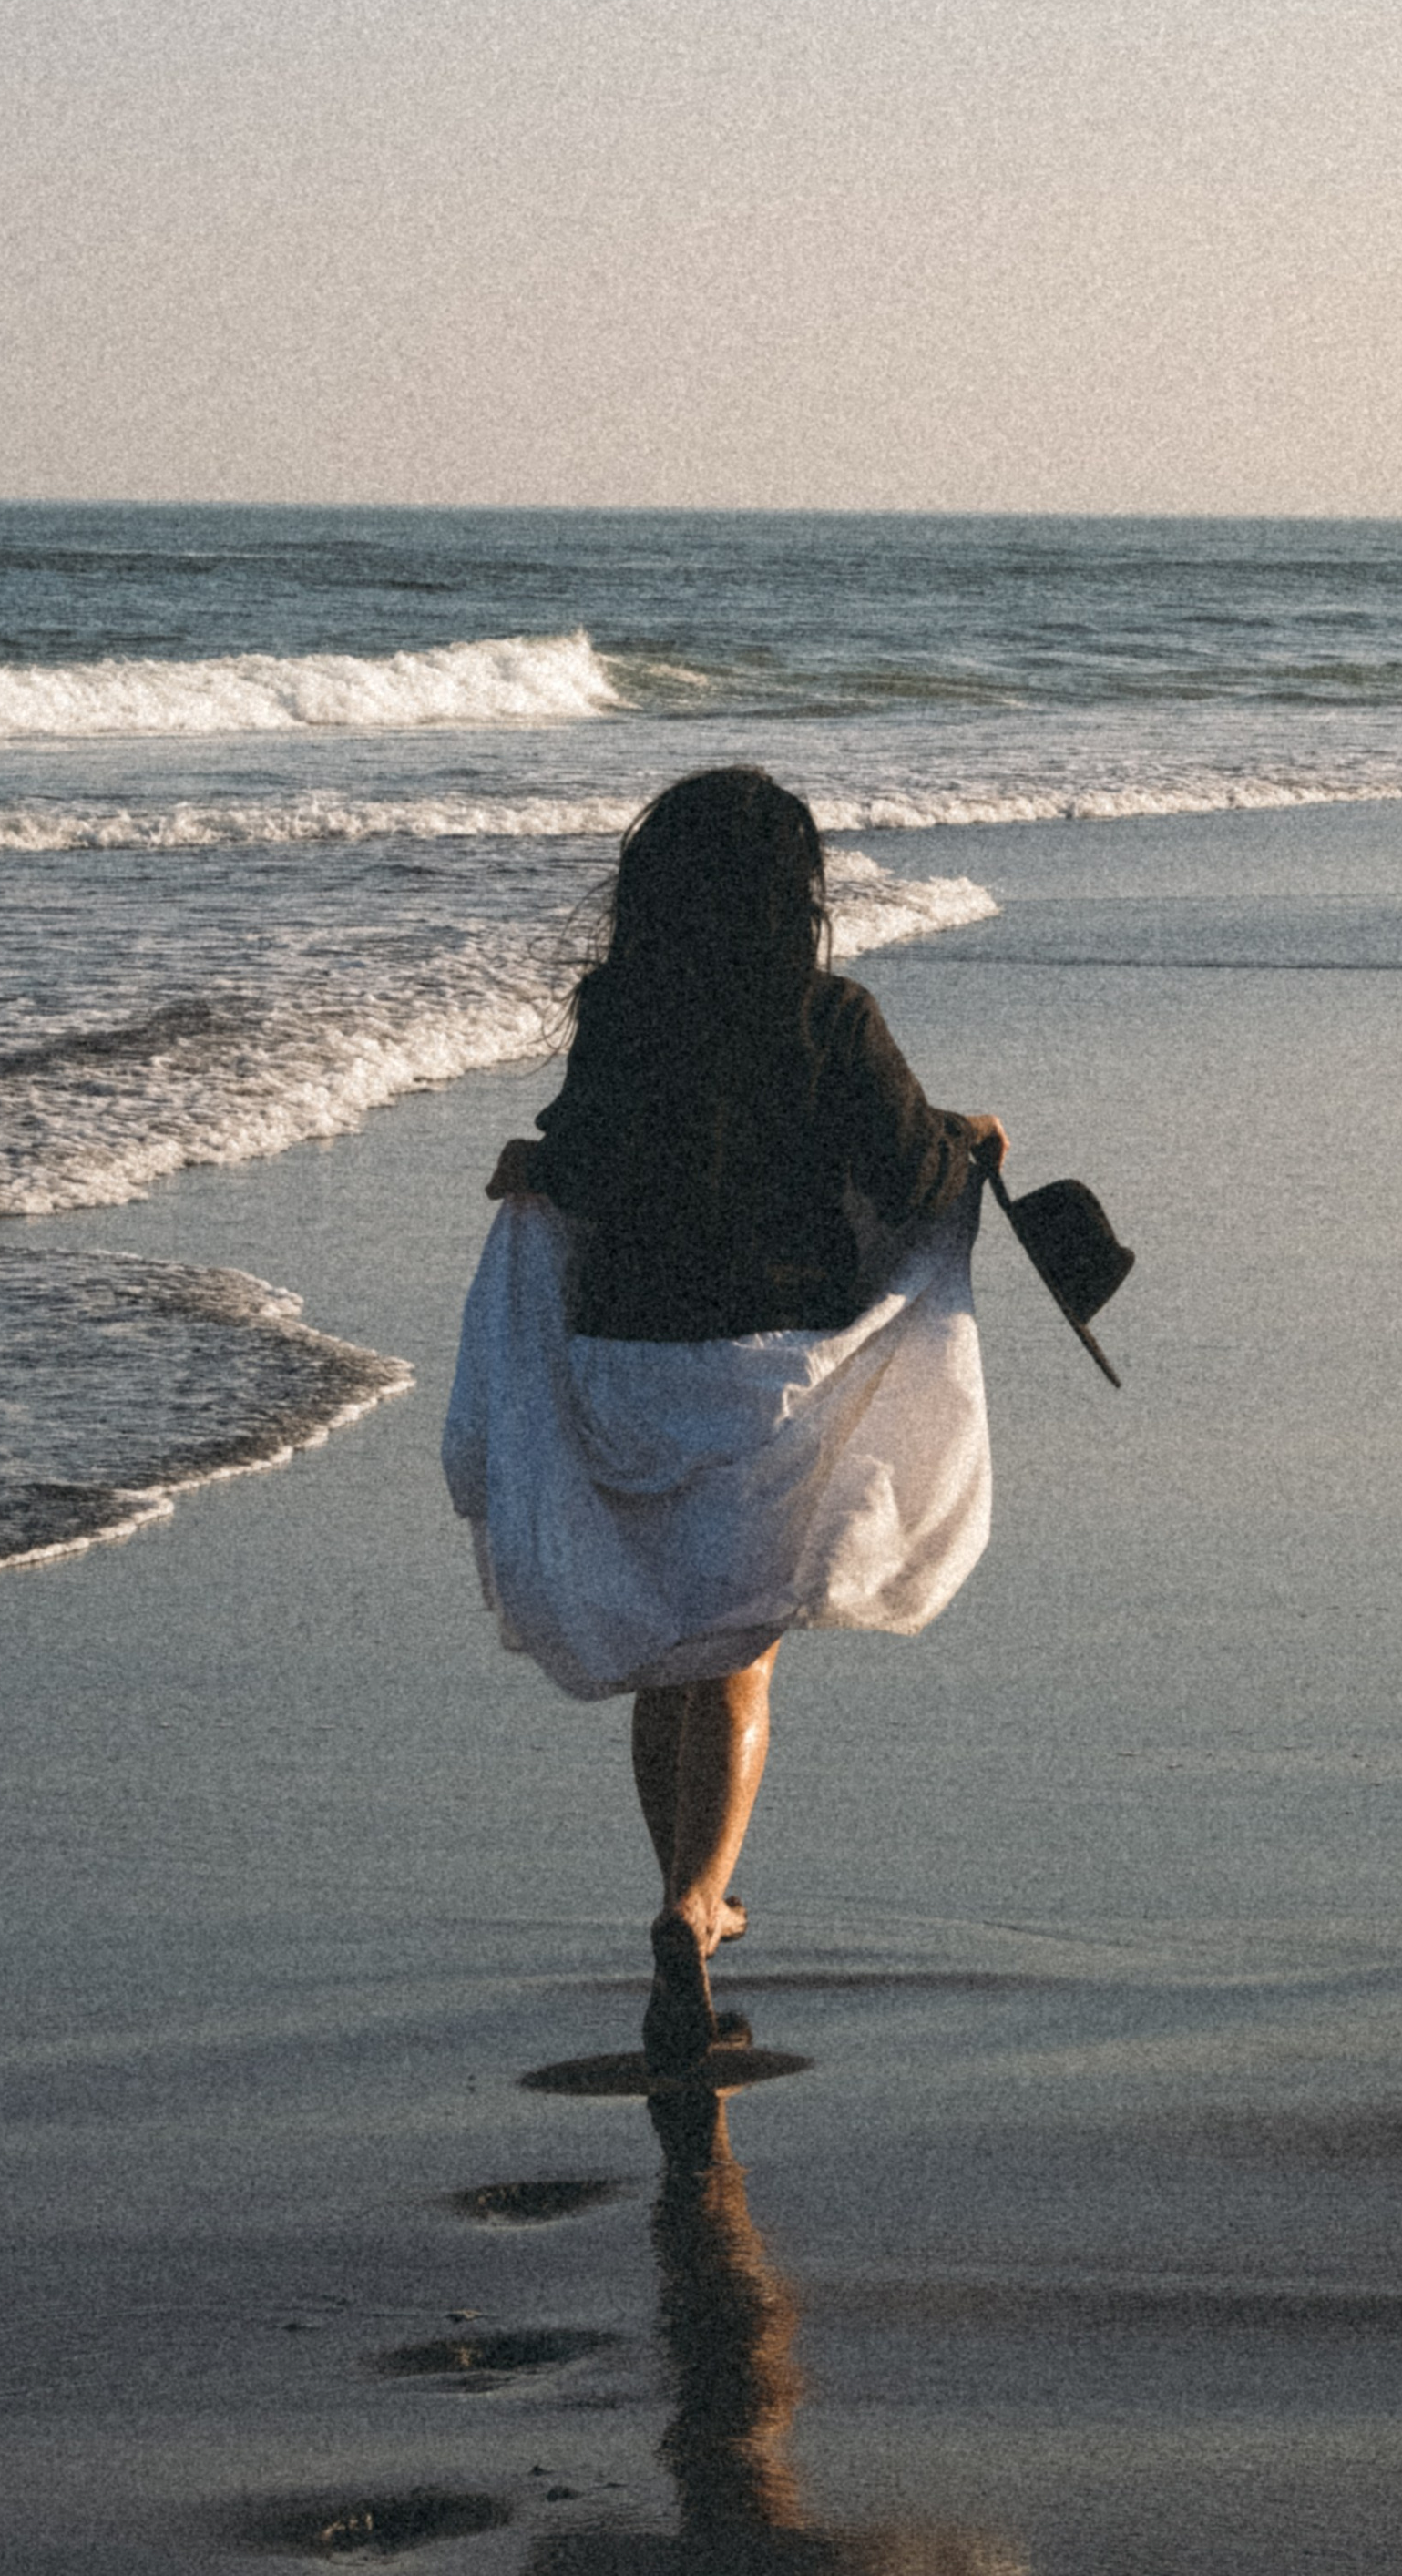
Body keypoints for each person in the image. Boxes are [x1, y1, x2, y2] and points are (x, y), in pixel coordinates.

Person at [445, 764, 1004, 2072]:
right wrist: (971, 1134)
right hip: (771, 1377)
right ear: (792, 892)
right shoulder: (829, 1016)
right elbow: (912, 1173)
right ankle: (697, 1910)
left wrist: (536, 1166)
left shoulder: (620, 1013)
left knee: (666, 1645)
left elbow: (579, 1159)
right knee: (739, 1654)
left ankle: (683, 1901)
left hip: (627, 1363)